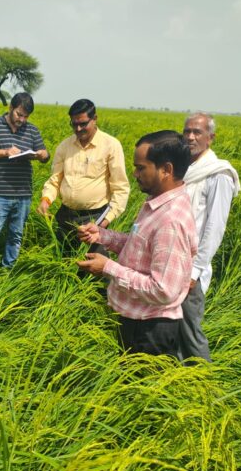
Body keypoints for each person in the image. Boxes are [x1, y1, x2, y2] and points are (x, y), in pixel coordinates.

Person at [76, 131, 197, 358]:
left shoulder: (171, 220)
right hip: (136, 320)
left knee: (140, 391)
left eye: (141, 168)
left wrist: (108, 268)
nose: (135, 173)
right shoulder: (155, 202)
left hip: (150, 332)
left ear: (166, 170)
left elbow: (163, 291)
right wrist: (102, 236)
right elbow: (139, 247)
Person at [180, 112, 241, 363]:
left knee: (190, 329)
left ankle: (205, 385)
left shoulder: (219, 174)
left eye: (198, 132)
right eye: (187, 132)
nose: (191, 137)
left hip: (191, 267)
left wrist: (195, 270)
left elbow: (215, 228)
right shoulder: (184, 166)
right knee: (172, 328)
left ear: (211, 138)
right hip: (172, 261)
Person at [37, 99, 130, 256]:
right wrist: (45, 200)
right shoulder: (64, 146)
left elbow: (121, 187)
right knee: (63, 258)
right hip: (66, 215)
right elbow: (55, 180)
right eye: (74, 124)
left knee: (93, 263)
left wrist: (103, 222)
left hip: (95, 216)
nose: (78, 129)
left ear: (94, 119)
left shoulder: (111, 145)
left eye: (83, 124)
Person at [0, 92, 49, 272]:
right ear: (10, 108)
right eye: (19, 114)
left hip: (23, 194)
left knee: (16, 235)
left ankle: (8, 271)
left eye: (26, 116)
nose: (22, 119)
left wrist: (42, 155)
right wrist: (5, 152)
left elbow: (44, 154)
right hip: (0, 192)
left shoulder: (32, 130)